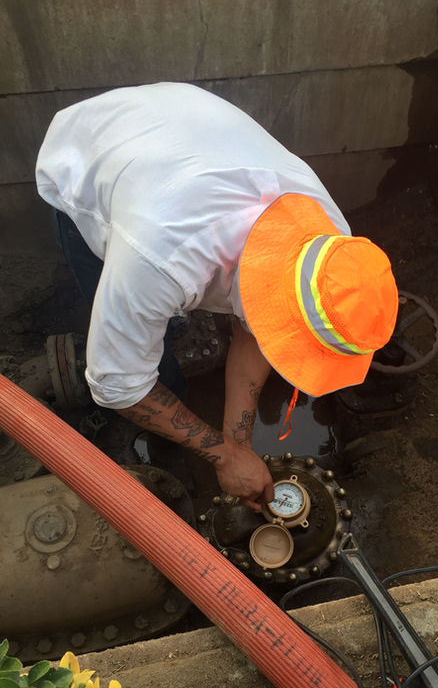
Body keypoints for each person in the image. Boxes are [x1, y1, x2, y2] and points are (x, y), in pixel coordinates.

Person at [35, 82, 399, 510]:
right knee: (152, 358)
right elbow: (116, 384)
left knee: (159, 306)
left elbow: (257, 329)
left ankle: (158, 324)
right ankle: (164, 419)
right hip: (89, 155)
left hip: (184, 135)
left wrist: (238, 441)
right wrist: (222, 456)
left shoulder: (330, 239)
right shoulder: (159, 258)